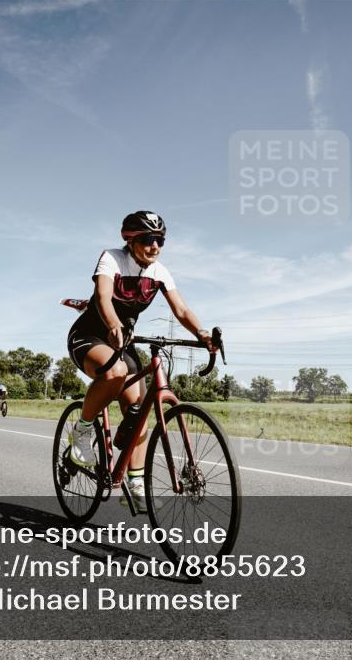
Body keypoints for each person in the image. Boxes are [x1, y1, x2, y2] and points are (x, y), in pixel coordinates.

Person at [66, 210, 214, 509]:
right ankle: (81, 432)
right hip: (92, 336)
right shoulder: (112, 258)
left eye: (160, 240)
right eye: (148, 239)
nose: (155, 246)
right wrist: (113, 326)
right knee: (115, 372)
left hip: (123, 342)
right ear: (130, 240)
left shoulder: (159, 271)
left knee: (139, 411)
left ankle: (134, 482)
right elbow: (104, 297)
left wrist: (202, 333)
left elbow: (181, 311)